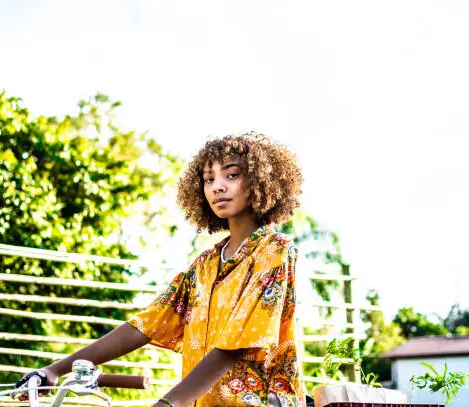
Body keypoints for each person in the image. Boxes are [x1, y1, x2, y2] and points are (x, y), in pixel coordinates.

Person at [17, 133, 306, 406]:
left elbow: (236, 344)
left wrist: (169, 402)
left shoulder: (275, 251)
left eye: (231, 175)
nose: (218, 186)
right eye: (209, 179)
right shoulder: (204, 265)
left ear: (259, 182)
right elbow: (146, 325)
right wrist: (54, 370)